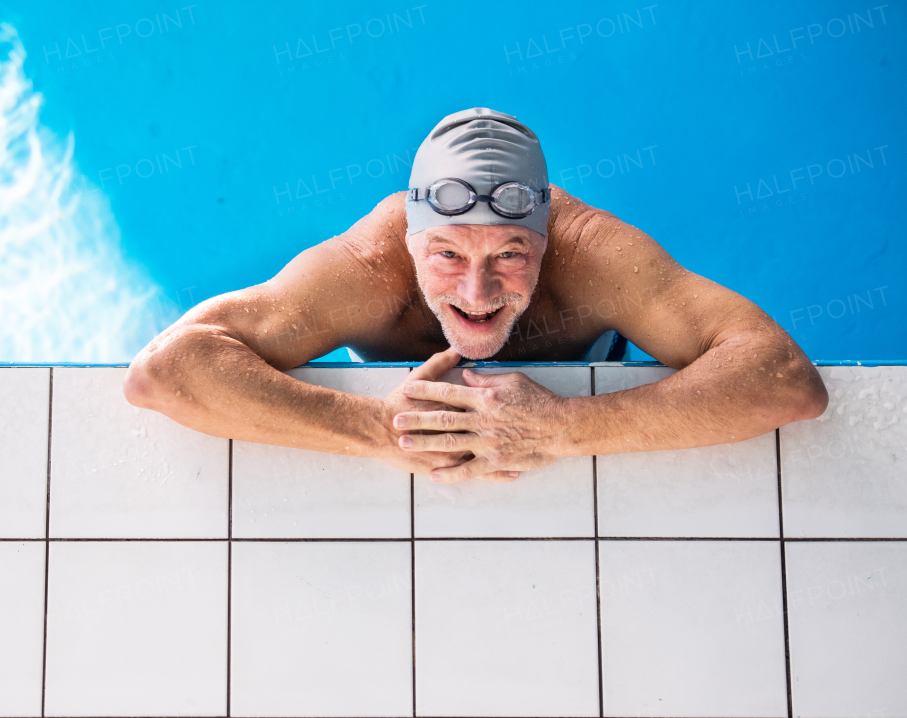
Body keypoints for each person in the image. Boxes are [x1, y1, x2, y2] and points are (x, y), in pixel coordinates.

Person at [123, 108, 828, 484]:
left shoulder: (597, 257)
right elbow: (168, 370)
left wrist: (565, 429)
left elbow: (784, 380)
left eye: (512, 254)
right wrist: (379, 432)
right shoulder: (365, 268)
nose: (478, 291)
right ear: (408, 245)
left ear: (549, 244)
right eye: (448, 254)